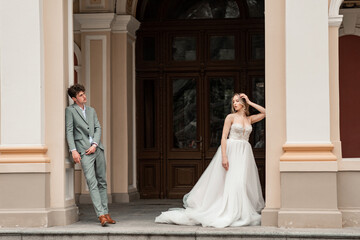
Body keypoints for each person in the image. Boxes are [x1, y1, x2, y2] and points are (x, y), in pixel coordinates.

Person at [155, 93, 265, 228]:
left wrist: (249, 101)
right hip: (231, 150)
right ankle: (230, 211)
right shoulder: (230, 117)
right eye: (233, 102)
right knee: (232, 181)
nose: (234, 103)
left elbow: (266, 112)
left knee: (241, 182)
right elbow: (224, 137)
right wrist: (224, 156)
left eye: (237, 101)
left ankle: (240, 212)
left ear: (243, 103)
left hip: (244, 153)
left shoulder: (249, 119)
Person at [65, 84, 116, 226]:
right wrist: (73, 150)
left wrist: (95, 144)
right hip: (83, 151)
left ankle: (106, 213)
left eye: (84, 93)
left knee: (102, 181)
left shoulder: (92, 110)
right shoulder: (70, 111)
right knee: (92, 183)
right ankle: (101, 215)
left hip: (97, 148)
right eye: (81, 95)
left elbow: (98, 127)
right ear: (75, 98)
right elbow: (69, 131)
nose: (84, 96)